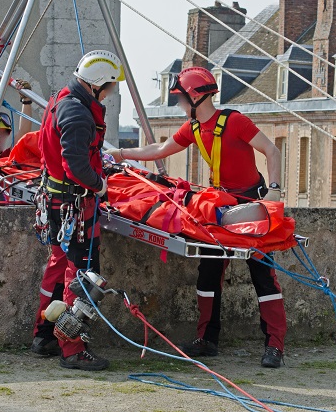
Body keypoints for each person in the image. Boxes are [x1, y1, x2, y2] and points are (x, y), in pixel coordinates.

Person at [106, 66, 287, 368]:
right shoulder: (193, 128)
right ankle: (207, 340)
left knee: (262, 275)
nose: (177, 104)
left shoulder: (234, 121)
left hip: (253, 203)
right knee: (208, 272)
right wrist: (122, 155)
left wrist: (274, 190)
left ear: (194, 97)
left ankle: (275, 346)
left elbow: (272, 150)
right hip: (221, 205)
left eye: (179, 98)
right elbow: (160, 149)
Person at [33, 50, 124, 371]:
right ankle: (72, 349)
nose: (111, 93)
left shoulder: (62, 99)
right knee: (84, 277)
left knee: (58, 266)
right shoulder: (78, 114)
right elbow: (76, 166)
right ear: (98, 84)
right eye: (110, 87)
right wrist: (101, 185)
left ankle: (44, 334)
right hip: (74, 207)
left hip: (55, 203)